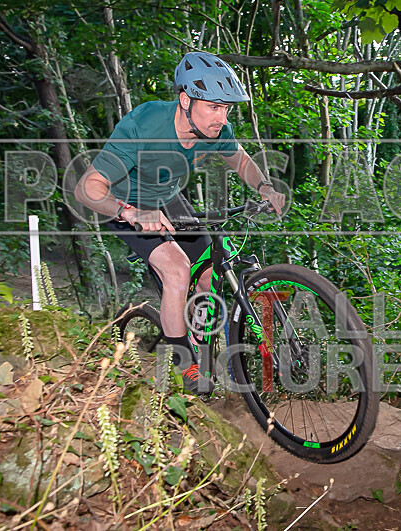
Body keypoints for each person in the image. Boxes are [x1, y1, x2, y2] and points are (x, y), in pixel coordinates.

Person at [75, 52, 285, 392]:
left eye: (227, 108)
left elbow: (239, 158)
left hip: (169, 198)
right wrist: (130, 213)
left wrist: (264, 187)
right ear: (185, 100)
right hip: (124, 203)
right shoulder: (143, 125)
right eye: (214, 107)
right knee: (177, 269)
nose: (222, 117)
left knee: (212, 273)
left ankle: (207, 357)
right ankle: (184, 363)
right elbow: (87, 188)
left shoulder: (215, 129)